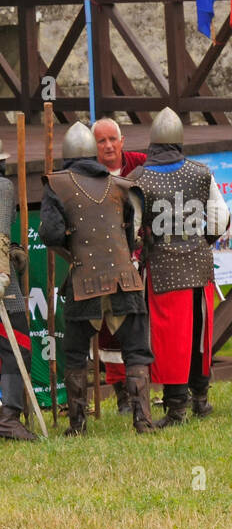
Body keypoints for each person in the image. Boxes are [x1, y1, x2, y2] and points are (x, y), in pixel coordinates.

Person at [39, 122, 155, 434]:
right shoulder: (120, 186)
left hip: (84, 282)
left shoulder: (56, 184)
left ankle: (77, 425)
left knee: (76, 354)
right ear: (93, 152)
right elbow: (130, 235)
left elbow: (49, 234)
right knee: (137, 351)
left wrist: (71, 250)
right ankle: (142, 419)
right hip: (125, 279)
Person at [127, 108, 229, 426]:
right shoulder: (201, 172)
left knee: (172, 339)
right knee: (198, 333)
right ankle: (200, 400)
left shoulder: (140, 178)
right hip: (198, 263)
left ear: (153, 143)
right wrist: (201, 242)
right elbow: (220, 219)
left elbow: (132, 230)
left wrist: (139, 249)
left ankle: (176, 409)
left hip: (162, 267)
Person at [93, 118, 147, 412]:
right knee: (109, 329)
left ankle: (143, 390)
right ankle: (122, 395)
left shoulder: (140, 163)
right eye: (101, 141)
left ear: (122, 140)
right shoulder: (88, 172)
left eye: (112, 139)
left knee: (140, 326)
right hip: (103, 262)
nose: (109, 145)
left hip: (140, 260)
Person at [0, 141, 38, 441]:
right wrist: (3, 271)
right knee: (17, 348)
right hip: (3, 287)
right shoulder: (2, 187)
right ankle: (9, 417)